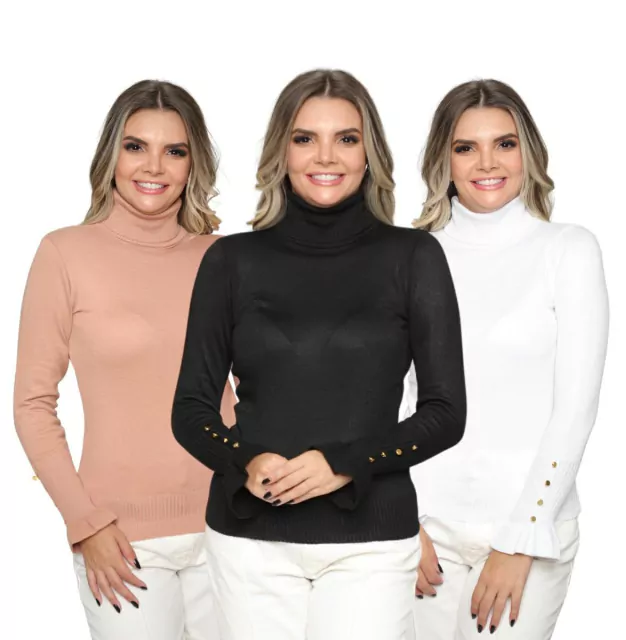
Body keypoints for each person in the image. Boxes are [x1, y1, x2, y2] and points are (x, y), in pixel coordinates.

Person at [172, 68, 467, 640]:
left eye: (346, 138)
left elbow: (445, 413)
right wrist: (245, 459)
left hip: (372, 543)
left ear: (368, 153)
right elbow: (190, 410)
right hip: (249, 541)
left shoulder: (414, 257)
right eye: (305, 138)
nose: (325, 156)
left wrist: (345, 463)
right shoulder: (230, 261)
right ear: (281, 152)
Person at [14, 79, 236, 640]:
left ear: (193, 164)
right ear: (111, 154)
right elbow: (33, 405)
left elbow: (260, 389)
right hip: (121, 540)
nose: (153, 166)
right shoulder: (64, 253)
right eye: (136, 146)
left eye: (174, 150)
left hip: (231, 527)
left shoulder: (222, 257)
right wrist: (84, 523)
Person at [405, 79, 609, 639]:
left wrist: (522, 537)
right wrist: (402, 519)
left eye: (504, 143)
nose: (487, 162)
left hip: (527, 529)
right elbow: (392, 398)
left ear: (528, 153)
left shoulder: (568, 250)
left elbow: (575, 409)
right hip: (423, 531)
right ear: (443, 160)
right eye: (465, 147)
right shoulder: (411, 255)